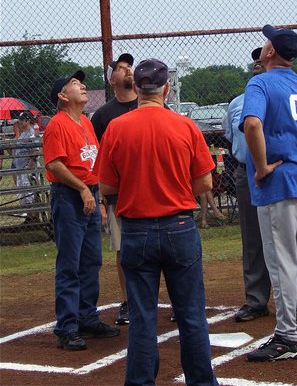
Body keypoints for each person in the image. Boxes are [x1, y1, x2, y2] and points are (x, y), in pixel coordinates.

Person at [97, 58, 219, 386]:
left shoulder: (116, 128)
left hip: (136, 230)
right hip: (179, 227)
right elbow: (205, 183)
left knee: (142, 318)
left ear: (136, 88)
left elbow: (106, 187)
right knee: (192, 316)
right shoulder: (185, 126)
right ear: (167, 88)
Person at [240, 25, 297, 362]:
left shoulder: (261, 82)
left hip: (278, 182)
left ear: (270, 53)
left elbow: (252, 124)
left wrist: (262, 166)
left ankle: (286, 337)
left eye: (267, 42)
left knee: (282, 259)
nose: (263, 45)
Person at [43, 70, 120, 351]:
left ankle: (87, 317)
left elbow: (95, 164)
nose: (82, 85)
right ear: (63, 97)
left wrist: (97, 197)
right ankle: (67, 326)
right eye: (75, 84)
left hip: (89, 195)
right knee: (70, 264)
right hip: (69, 197)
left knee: (91, 261)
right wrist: (84, 189)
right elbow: (54, 164)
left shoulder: (86, 123)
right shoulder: (57, 125)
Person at [224, 47, 271, 322]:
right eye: (255, 58)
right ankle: (256, 299)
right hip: (246, 173)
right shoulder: (237, 102)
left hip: (277, 173)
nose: (257, 61)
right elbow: (232, 139)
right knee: (252, 239)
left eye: (262, 56)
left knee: (286, 239)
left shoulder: (281, 96)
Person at [91, 53, 136, 326]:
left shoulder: (150, 105)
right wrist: (101, 199)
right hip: (119, 194)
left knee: (162, 246)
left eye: (129, 66)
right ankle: (128, 301)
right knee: (124, 249)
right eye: (120, 68)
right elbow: (97, 159)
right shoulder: (104, 115)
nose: (127, 70)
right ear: (112, 80)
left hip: (150, 192)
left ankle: (176, 301)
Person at [12, 111, 40, 222]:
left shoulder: (31, 133)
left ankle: (33, 218)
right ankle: (29, 218)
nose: (19, 122)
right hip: (20, 169)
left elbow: (35, 151)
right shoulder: (23, 133)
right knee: (22, 194)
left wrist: (29, 168)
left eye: (21, 120)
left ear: (27, 120)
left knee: (29, 194)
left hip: (27, 169)